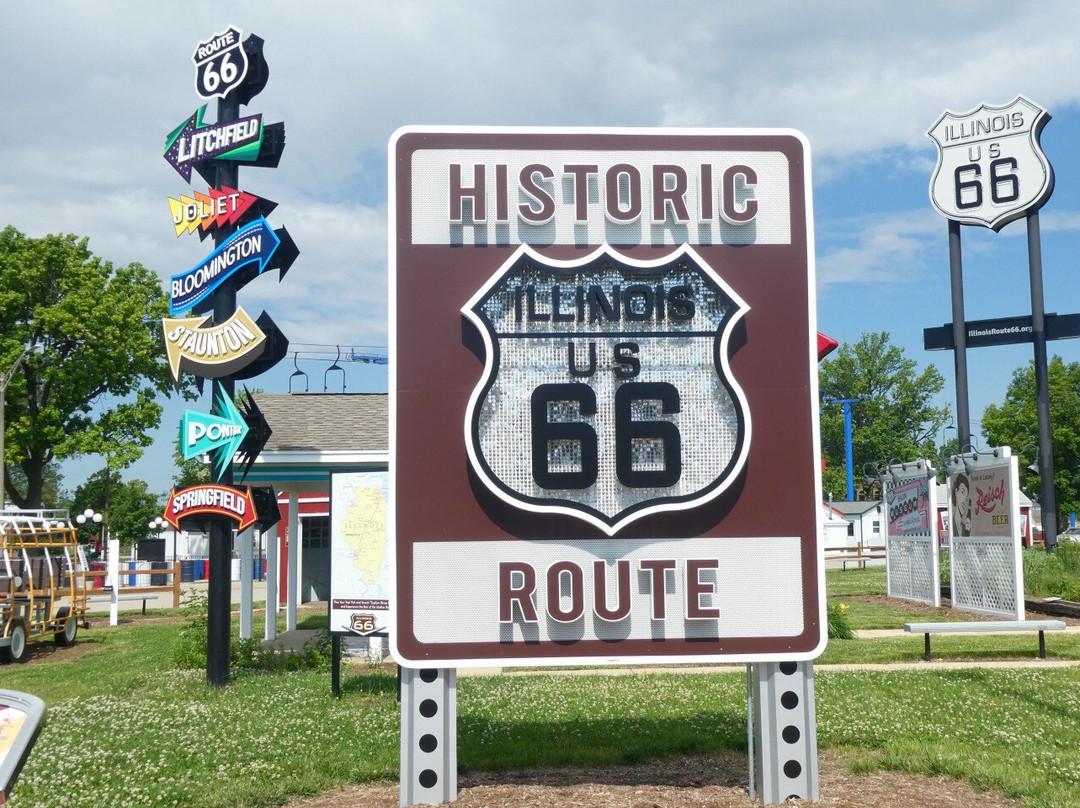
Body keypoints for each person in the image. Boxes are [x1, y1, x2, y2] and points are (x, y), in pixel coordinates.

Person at [950, 473, 971, 538]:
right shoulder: (951, 526)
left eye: (966, 496)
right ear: (956, 492)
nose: (965, 499)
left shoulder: (966, 529)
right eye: (962, 492)